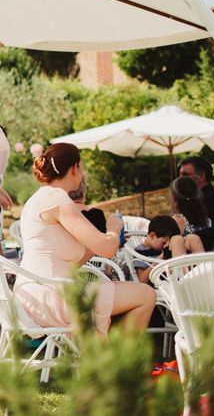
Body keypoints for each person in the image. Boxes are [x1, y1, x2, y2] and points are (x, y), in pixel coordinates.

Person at [15, 143, 155, 334]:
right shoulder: (58, 199)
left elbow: (73, 260)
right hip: (55, 296)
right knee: (146, 294)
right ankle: (118, 359)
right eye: (81, 167)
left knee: (113, 295)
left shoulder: (38, 198)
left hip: (35, 292)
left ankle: (103, 357)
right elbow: (107, 249)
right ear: (74, 168)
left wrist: (102, 243)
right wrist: (113, 229)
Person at [131, 215, 203, 283]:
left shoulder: (163, 245)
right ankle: (187, 281)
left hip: (178, 269)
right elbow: (141, 280)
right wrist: (161, 257)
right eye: (163, 243)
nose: (166, 245)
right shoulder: (140, 251)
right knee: (176, 239)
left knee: (192, 237)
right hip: (166, 281)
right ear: (152, 236)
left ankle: (205, 274)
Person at [178, 157, 214, 229]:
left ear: (201, 177)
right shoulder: (210, 197)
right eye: (180, 174)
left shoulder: (206, 200)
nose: (179, 178)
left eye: (185, 174)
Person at [169, 176, 214, 250]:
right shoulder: (207, 220)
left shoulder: (177, 219)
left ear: (173, 197)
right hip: (208, 258)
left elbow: (168, 248)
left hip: (185, 260)